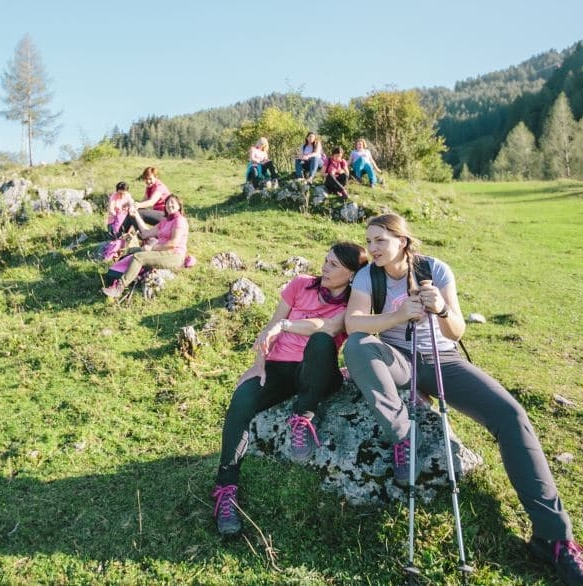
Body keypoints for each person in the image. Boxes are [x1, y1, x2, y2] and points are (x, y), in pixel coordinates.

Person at [342, 214, 583, 585]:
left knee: (510, 414)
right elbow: (354, 324)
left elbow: (457, 329)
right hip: (397, 361)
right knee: (358, 346)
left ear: (402, 241)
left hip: (444, 361)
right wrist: (396, 315)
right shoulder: (367, 276)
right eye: (369, 240)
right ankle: (403, 434)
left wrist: (440, 309)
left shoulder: (435, 269)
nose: (372, 248)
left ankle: (554, 537)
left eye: (380, 240)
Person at [212, 242, 369, 536]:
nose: (324, 267)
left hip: (318, 371)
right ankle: (226, 490)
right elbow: (269, 328)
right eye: (325, 260)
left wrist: (286, 325)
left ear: (353, 275)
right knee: (241, 402)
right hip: (278, 368)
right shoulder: (300, 284)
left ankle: (302, 416)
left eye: (334, 265)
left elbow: (328, 327)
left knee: (321, 341)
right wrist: (259, 363)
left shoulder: (352, 305)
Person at [102, 194, 189, 299]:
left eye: (172, 203)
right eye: (167, 203)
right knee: (131, 251)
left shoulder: (179, 220)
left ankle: (119, 288)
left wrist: (152, 248)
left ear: (179, 206)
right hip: (161, 252)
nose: (169, 205)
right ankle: (118, 274)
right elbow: (145, 233)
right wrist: (136, 216)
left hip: (174, 255)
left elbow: (173, 243)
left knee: (139, 257)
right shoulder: (165, 221)